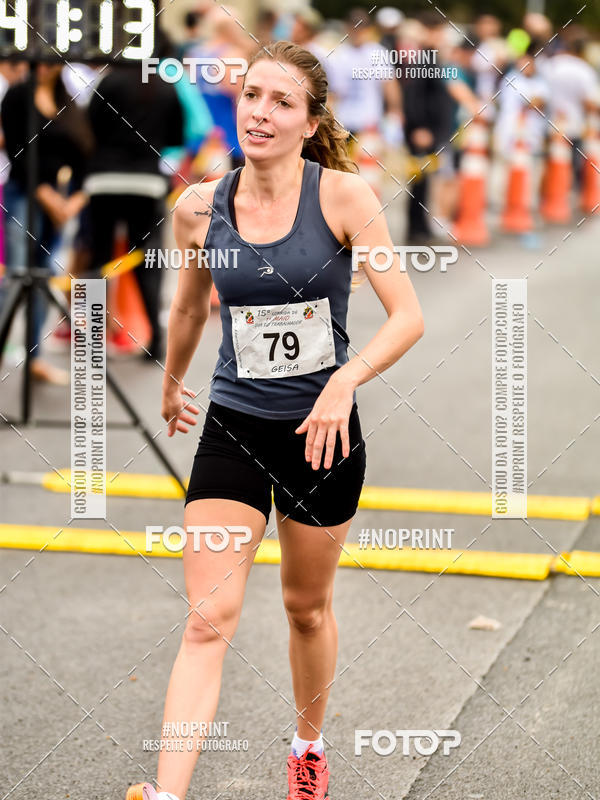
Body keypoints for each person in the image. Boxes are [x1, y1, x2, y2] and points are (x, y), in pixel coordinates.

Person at [125, 39, 424, 800]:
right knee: (207, 617)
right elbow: (190, 304)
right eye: (252, 94)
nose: (260, 112)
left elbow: (407, 317)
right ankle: (167, 795)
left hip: (322, 434)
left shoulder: (345, 197)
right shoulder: (199, 206)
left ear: (310, 119)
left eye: (281, 101)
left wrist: (345, 382)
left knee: (305, 607)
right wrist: (170, 378)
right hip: (235, 425)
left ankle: (308, 746)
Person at [0, 63, 93, 383]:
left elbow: (83, 153)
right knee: (15, 278)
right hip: (24, 195)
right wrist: (49, 197)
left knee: (44, 277)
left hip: (58, 199)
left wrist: (75, 198)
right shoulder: (17, 96)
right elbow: (18, 152)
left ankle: (33, 357)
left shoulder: (68, 101)